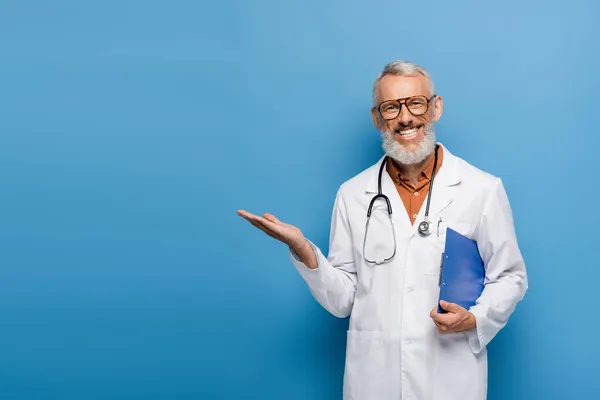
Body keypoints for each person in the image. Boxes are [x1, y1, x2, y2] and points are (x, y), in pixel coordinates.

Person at [237, 60, 528, 400]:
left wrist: (476, 318)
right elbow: (343, 299)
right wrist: (303, 249)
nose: (405, 118)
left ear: (436, 108)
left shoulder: (481, 189)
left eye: (416, 103)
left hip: (450, 378)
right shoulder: (352, 194)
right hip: (374, 379)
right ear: (377, 119)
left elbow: (510, 276)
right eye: (391, 108)